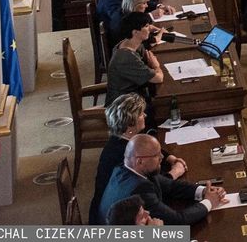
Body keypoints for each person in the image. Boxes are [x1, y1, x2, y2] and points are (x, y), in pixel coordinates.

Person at [98, 134, 227, 225]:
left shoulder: (126, 168)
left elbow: (170, 186)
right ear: (140, 161)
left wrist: (204, 191)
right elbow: (178, 221)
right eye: (156, 155)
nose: (161, 157)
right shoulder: (138, 189)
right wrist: (209, 202)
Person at [90, 93, 178, 224]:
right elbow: (150, 182)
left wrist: (168, 157)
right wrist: (174, 173)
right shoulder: (122, 154)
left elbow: (143, 145)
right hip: (114, 221)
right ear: (131, 122)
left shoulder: (120, 140)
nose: (145, 116)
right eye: (141, 114)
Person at [106, 12, 164, 106]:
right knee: (163, 106)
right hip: (123, 108)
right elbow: (158, 78)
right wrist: (156, 66)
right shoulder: (126, 57)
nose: (149, 28)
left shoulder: (127, 43)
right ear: (135, 32)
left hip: (132, 97)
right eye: (146, 26)